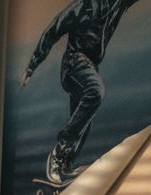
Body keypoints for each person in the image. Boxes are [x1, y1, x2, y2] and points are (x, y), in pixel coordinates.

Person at [20, 0, 141, 183]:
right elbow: (52, 30)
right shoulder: (82, 6)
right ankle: (59, 152)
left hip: (90, 66)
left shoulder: (118, 4)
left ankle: (65, 165)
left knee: (84, 119)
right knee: (95, 91)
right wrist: (31, 66)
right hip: (73, 63)